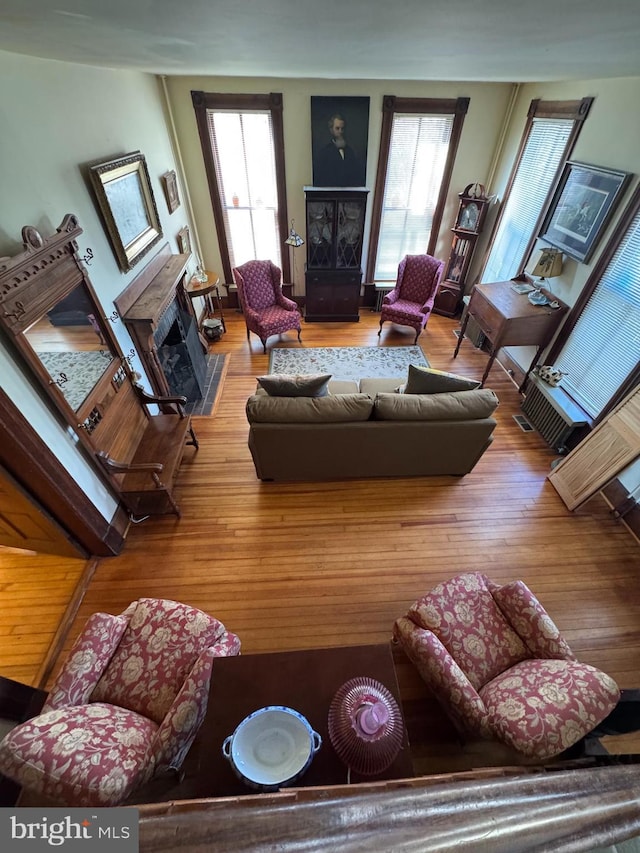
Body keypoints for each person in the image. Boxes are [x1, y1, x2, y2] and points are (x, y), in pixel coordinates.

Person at [314, 113, 365, 187]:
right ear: (331, 130)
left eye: (342, 128)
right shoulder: (324, 153)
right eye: (337, 128)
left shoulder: (350, 152)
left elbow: (355, 175)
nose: (340, 132)